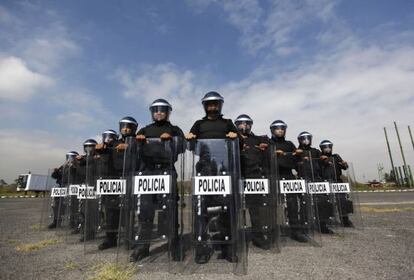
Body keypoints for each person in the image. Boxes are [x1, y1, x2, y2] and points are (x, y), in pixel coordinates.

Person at [186, 91, 239, 264]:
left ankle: (228, 247)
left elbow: (241, 144)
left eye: (215, 104)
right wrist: (190, 138)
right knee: (201, 209)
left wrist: (235, 136)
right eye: (209, 104)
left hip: (223, 169)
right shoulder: (198, 124)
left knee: (226, 208)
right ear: (205, 106)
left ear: (220, 105)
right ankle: (202, 248)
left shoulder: (228, 123)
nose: (212, 107)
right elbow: (189, 146)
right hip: (204, 170)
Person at [130, 99, 184, 262]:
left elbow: (183, 147)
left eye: (162, 110)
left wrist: (173, 140)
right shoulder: (144, 130)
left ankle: (174, 246)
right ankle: (142, 247)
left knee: (170, 210)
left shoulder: (175, 130)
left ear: (168, 112)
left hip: (166, 170)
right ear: (152, 112)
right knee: (145, 211)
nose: (159, 112)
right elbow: (133, 150)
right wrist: (136, 142)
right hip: (147, 172)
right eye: (156, 110)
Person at [235, 114, 270, 249]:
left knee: (255, 208)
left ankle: (258, 236)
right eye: (241, 124)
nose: (244, 126)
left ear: (251, 125)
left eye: (247, 123)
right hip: (236, 175)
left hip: (253, 176)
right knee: (232, 207)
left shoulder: (258, 139)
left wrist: (265, 145)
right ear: (236, 125)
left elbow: (269, 145)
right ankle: (233, 236)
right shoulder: (232, 139)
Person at [319, 140, 353, 227]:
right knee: (324, 201)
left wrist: (345, 164)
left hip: (337, 181)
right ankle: (325, 220)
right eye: (325, 147)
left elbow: (344, 167)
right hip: (324, 182)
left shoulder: (336, 156)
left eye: (329, 146)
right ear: (322, 148)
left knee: (342, 199)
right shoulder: (319, 157)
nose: (328, 149)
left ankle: (345, 219)